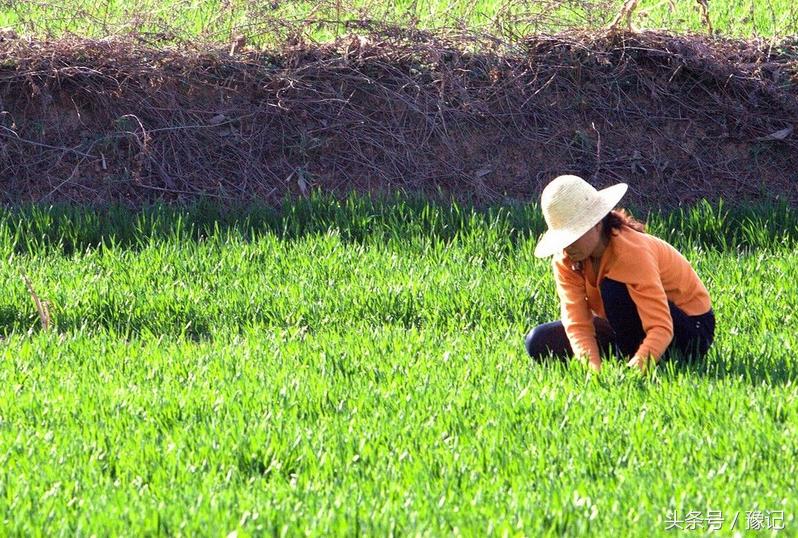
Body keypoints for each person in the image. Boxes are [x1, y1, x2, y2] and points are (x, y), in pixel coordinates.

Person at [525, 175, 715, 372]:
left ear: (596, 223)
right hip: (624, 323)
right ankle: (622, 352)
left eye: (574, 235)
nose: (567, 246)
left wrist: (634, 371)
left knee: (613, 289)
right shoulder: (566, 259)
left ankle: (629, 356)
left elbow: (661, 327)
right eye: (563, 239)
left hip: (691, 327)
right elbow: (578, 323)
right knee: (538, 341)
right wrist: (593, 370)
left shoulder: (631, 252)